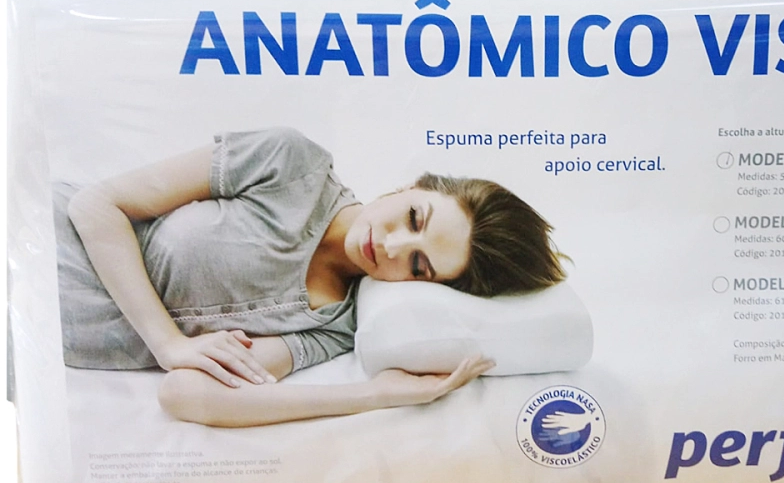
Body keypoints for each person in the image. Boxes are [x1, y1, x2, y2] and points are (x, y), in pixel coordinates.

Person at [55, 127, 565, 428]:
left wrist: (379, 395)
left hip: (40, 343)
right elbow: (95, 205)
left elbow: (185, 394)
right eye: (414, 218)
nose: (391, 247)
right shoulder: (291, 163)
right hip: (42, 240)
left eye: (418, 265)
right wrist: (168, 343)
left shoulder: (336, 325)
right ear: (410, 187)